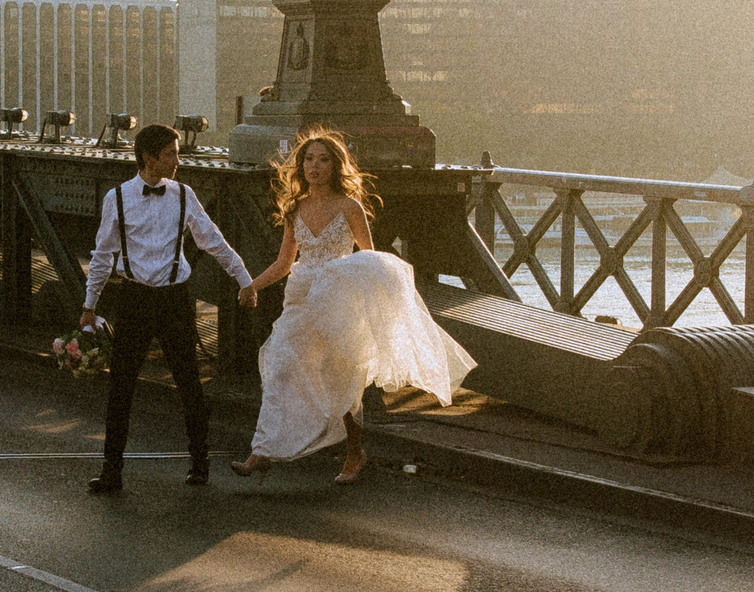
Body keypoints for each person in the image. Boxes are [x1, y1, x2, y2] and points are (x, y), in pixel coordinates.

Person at [233, 130, 475, 483]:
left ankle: (354, 452)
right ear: (301, 166)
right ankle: (262, 451)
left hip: (338, 299)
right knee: (282, 366)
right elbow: (285, 262)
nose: (315, 166)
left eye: (324, 160)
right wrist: (252, 285)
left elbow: (369, 257)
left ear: (335, 166)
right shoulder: (295, 208)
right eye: (309, 159)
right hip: (301, 298)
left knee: (341, 377)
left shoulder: (349, 207)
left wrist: (367, 297)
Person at [79, 123, 255, 493]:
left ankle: (200, 463)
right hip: (135, 299)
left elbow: (213, 240)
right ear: (149, 158)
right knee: (121, 387)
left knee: (189, 382)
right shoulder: (119, 197)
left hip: (175, 298)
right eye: (171, 154)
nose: (178, 160)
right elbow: (102, 255)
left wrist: (244, 279)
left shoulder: (184, 194)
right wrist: (88, 306)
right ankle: (112, 472)